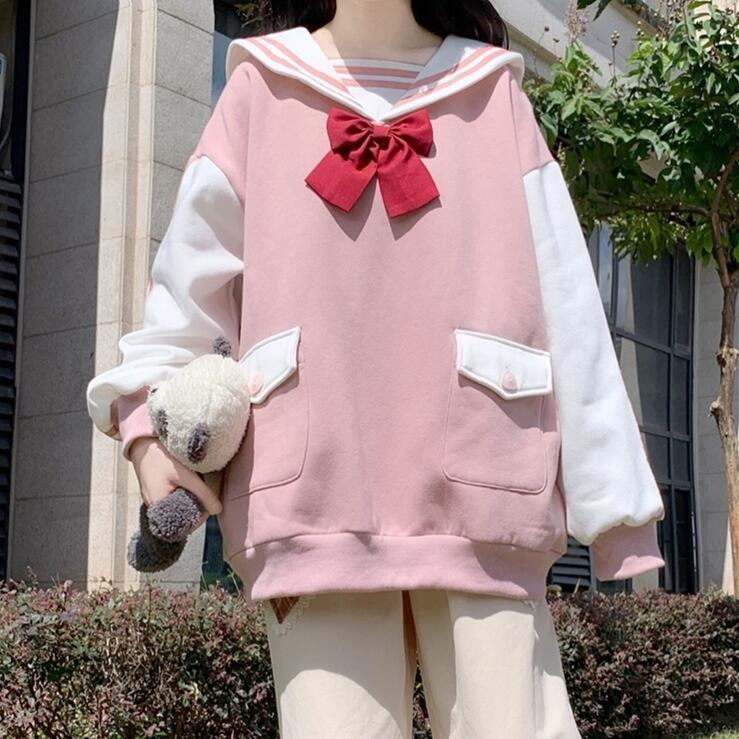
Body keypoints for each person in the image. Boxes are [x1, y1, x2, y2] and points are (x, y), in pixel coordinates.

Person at [86, 1, 667, 736]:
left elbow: (569, 304)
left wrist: (614, 510)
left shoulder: (493, 94)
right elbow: (181, 296)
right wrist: (146, 431)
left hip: (484, 494)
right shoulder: (260, 89)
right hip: (312, 500)